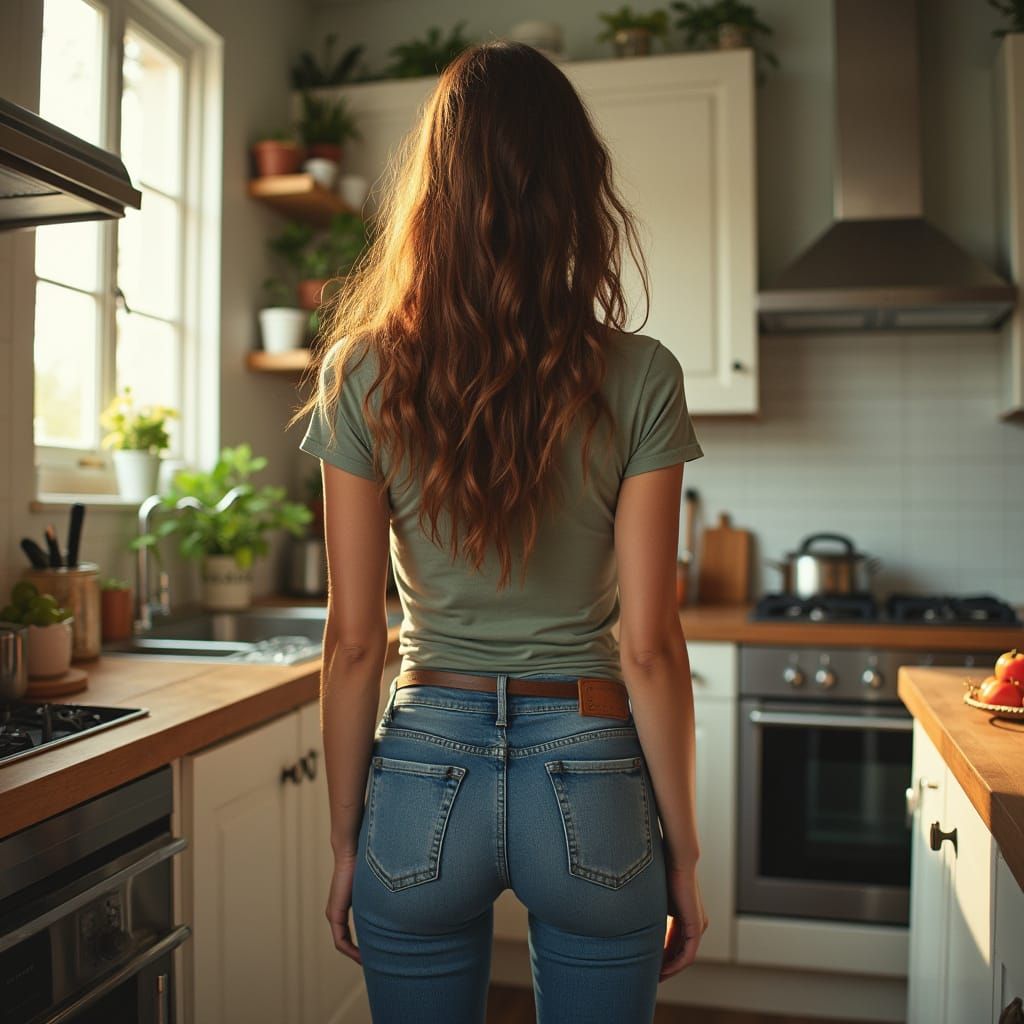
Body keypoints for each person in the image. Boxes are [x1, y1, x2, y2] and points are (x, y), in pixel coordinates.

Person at [292, 39, 708, 1024]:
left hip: (423, 761)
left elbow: (355, 642)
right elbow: (648, 647)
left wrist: (348, 840)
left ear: (433, 190)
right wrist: (683, 858)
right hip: (594, 763)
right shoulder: (640, 372)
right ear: (575, 187)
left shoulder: (360, 374)